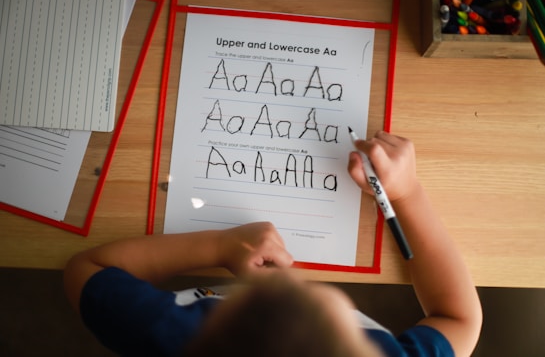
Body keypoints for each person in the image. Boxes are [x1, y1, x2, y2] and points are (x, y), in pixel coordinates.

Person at [64, 131, 482, 357]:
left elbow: (86, 270)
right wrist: (407, 195)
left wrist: (219, 248)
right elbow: (459, 318)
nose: (296, 279)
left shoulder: (164, 333)